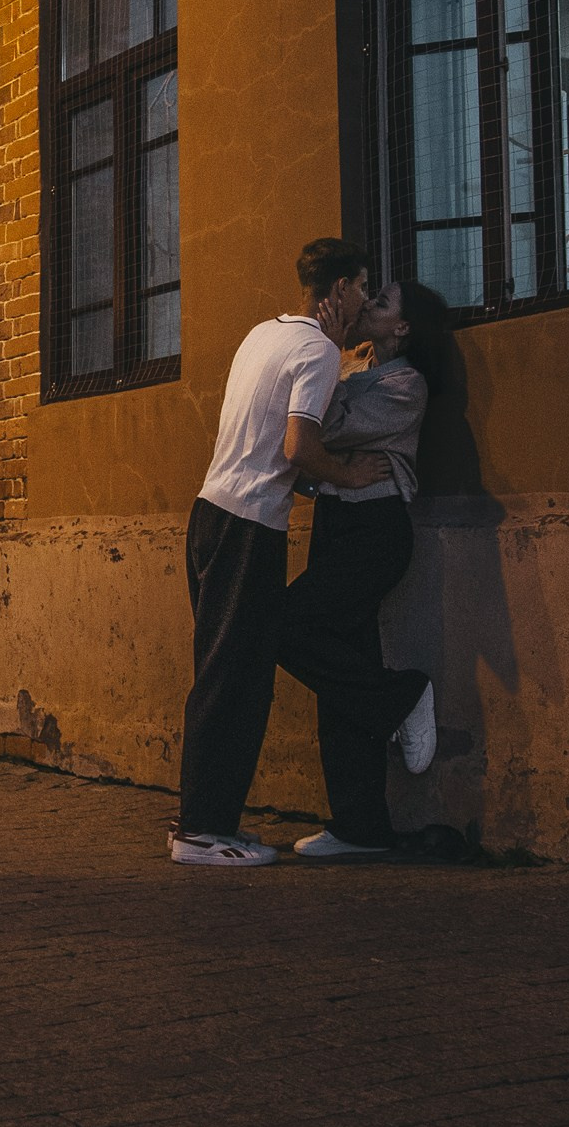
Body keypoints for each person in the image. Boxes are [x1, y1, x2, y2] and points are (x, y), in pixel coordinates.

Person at [169, 238, 370, 868]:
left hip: (209, 514)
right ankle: (201, 832)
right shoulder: (317, 350)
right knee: (237, 681)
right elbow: (296, 448)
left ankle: (208, 821)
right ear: (337, 291)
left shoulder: (265, 334)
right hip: (247, 529)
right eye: (362, 286)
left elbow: (261, 440)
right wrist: (349, 476)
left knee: (223, 672)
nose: (364, 298)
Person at [280, 279, 451, 860]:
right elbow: (306, 445)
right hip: (334, 523)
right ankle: (360, 826)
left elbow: (323, 429)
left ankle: (404, 693)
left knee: (285, 627)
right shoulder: (351, 365)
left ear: (402, 328)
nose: (367, 306)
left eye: (381, 303)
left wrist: (322, 354)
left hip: (376, 531)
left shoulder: (405, 384)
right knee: (342, 671)